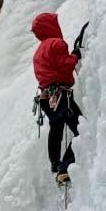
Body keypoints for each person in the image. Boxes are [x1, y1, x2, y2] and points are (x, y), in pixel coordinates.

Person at [32, 11, 87, 186]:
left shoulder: (38, 51)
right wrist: (75, 55)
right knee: (81, 130)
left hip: (45, 98)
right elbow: (65, 66)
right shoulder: (57, 43)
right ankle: (65, 169)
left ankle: (55, 163)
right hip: (61, 96)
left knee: (56, 128)